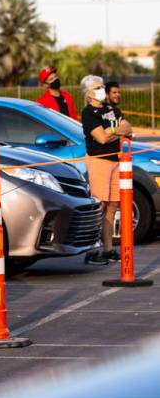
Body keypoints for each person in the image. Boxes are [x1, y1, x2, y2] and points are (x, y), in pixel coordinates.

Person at [80, 75, 133, 265]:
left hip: (116, 161)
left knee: (112, 206)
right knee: (99, 205)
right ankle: (92, 250)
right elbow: (100, 138)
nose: (102, 90)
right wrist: (116, 131)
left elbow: (128, 129)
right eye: (97, 87)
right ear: (89, 93)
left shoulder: (112, 109)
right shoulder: (88, 113)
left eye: (102, 86)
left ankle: (108, 249)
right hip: (99, 161)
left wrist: (112, 131)